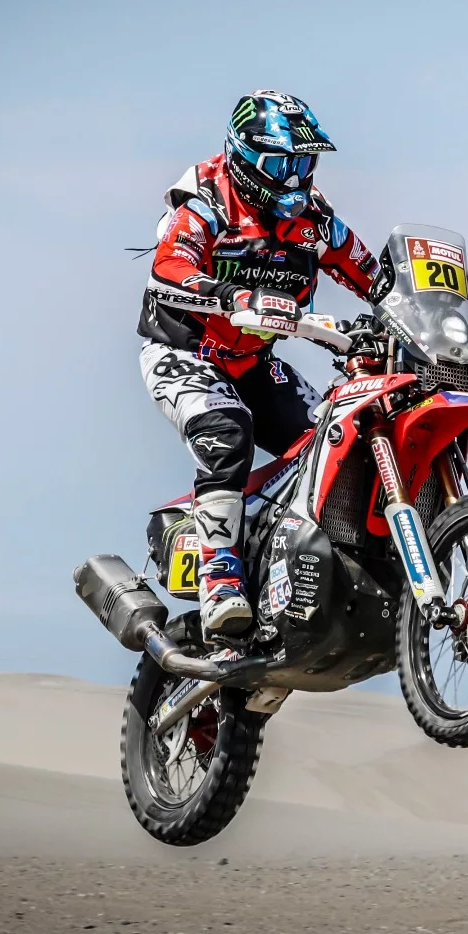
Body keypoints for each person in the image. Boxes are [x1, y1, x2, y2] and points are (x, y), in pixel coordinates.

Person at [137, 90, 377, 632]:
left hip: (252, 364)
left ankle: (291, 564)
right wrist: (228, 296)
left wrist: (424, 313)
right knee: (230, 429)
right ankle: (219, 576)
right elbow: (167, 268)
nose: (293, 178)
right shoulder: (207, 202)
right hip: (186, 353)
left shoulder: (315, 221)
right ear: (243, 157)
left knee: (334, 441)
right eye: (280, 163)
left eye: (303, 163)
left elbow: (373, 274)